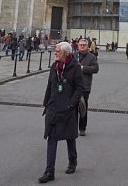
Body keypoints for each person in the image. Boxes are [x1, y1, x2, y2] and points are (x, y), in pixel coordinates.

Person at [39, 42, 83, 183]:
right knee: (52, 138)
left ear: (65, 53)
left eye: (57, 51)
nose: (55, 53)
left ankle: (72, 161)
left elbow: (79, 88)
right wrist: (46, 103)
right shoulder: (54, 67)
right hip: (53, 107)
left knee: (70, 136)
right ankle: (49, 171)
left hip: (68, 108)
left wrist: (71, 103)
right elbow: (50, 85)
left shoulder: (75, 67)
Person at [76, 38, 99, 137]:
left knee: (83, 108)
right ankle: (71, 127)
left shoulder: (92, 57)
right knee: (71, 108)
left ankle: (82, 128)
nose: (82, 46)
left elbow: (96, 69)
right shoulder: (74, 56)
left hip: (85, 87)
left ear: (87, 46)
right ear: (78, 46)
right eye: (80, 45)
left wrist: (83, 68)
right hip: (73, 86)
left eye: (84, 45)